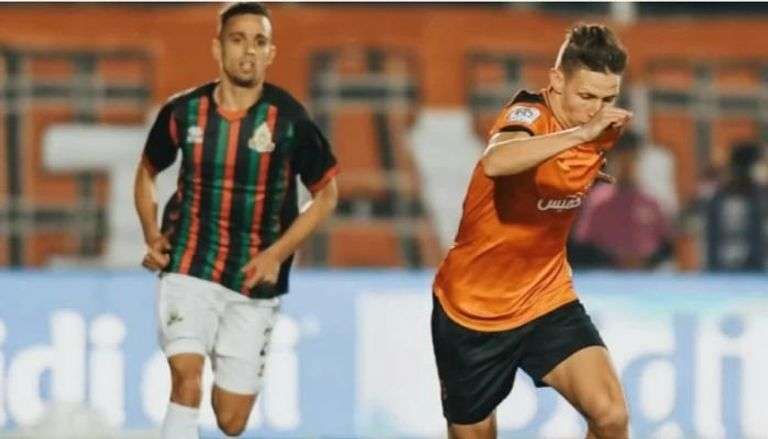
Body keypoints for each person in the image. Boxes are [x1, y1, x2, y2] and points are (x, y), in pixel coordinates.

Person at [133, 3, 338, 438]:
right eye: (238, 39)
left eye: (259, 42)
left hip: (253, 278)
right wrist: (152, 234)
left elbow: (326, 195)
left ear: (271, 53)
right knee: (186, 377)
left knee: (231, 420)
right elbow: (147, 171)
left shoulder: (291, 121)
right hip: (189, 262)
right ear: (218, 48)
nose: (248, 51)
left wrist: (276, 255)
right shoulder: (183, 112)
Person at [432, 24, 632, 438]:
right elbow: (497, 161)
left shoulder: (603, 128)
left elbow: (560, 169)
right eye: (586, 97)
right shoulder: (529, 113)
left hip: (546, 297)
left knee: (611, 417)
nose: (597, 111)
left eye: (608, 99)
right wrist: (579, 136)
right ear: (557, 81)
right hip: (473, 309)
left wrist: (584, 168)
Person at [571, 130, 674, 270]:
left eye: (632, 160)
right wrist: (614, 259)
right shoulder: (598, 201)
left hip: (645, 277)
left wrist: (646, 261)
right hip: (607, 276)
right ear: (613, 161)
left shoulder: (651, 202)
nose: (627, 166)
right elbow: (582, 247)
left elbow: (666, 246)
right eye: (622, 160)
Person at [702, 140, 766, 271]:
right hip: (722, 267)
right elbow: (710, 237)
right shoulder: (719, 197)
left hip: (753, 268)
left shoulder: (760, 195)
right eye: (761, 164)